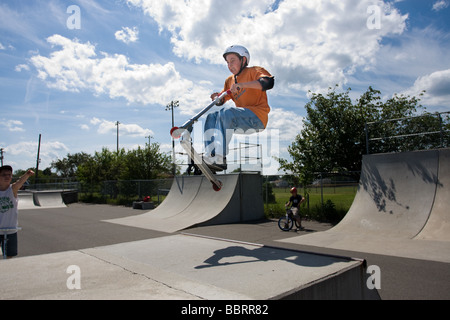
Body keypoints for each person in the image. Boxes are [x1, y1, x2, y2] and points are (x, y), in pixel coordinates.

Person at [205, 45, 274, 171]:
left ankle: (220, 157)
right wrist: (217, 98)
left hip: (257, 118)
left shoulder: (254, 71)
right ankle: (211, 155)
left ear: (243, 60)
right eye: (227, 63)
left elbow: (268, 83)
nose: (230, 65)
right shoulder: (229, 81)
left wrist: (243, 85)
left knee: (226, 113)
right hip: (240, 121)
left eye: (232, 61)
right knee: (211, 117)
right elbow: (222, 100)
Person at [0, 165, 35, 258]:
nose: (7, 177)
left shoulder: (12, 190)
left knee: (9, 256)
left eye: (9, 175)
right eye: (4, 175)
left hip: (10, 230)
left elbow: (19, 182)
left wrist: (27, 174)